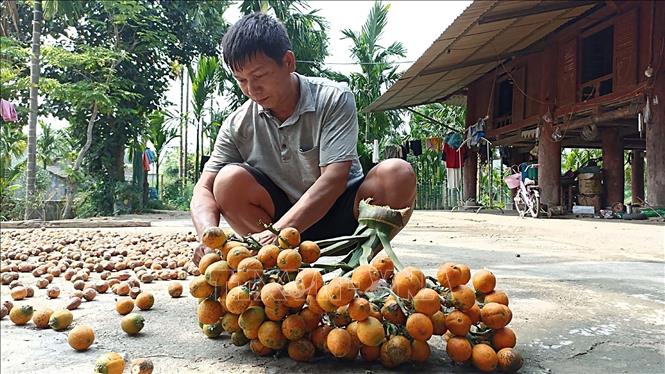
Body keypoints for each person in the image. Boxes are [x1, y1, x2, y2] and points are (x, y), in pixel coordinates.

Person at [190, 13, 416, 264]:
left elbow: (334, 179)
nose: (252, 90)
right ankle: (279, 266)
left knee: (397, 173)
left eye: (259, 76)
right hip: (279, 224)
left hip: (343, 218)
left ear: (288, 62)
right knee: (227, 181)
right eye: (241, 80)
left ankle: (355, 265)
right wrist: (208, 239)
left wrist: (275, 235)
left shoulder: (334, 98)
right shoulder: (238, 123)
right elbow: (203, 188)